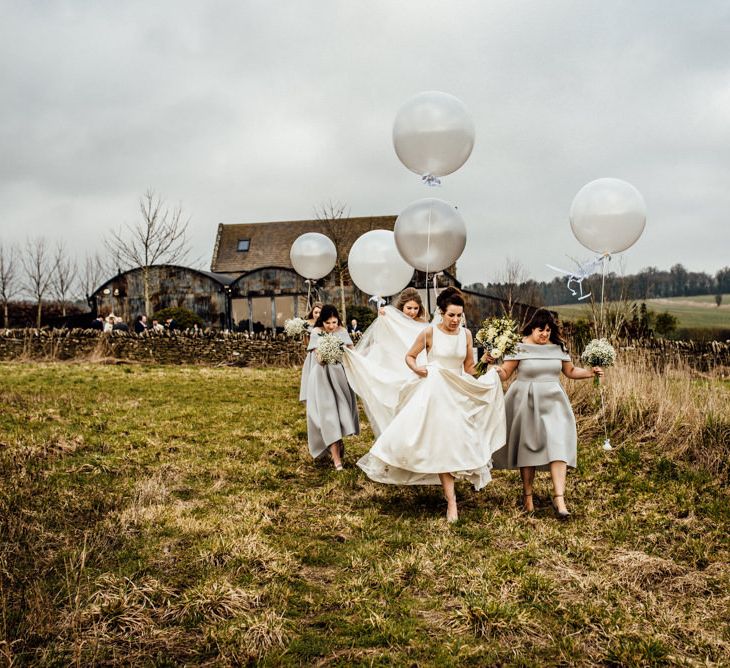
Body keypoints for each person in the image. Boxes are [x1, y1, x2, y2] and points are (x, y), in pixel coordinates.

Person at [356, 287, 506, 523]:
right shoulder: (429, 333)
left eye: (459, 315)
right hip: (434, 391)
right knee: (439, 442)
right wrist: (417, 369)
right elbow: (409, 356)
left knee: (459, 440)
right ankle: (451, 502)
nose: (456, 320)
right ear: (441, 313)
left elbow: (468, 369)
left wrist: (485, 364)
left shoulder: (466, 335)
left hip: (456, 390)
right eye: (451, 315)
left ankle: (455, 488)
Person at [487, 309, 604, 520]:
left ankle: (559, 499)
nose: (545, 334)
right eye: (541, 330)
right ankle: (527, 496)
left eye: (548, 330)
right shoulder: (518, 347)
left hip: (554, 403)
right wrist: (494, 370)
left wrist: (589, 373)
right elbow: (505, 373)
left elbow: (570, 371)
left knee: (558, 445)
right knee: (528, 447)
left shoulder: (558, 348)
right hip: (526, 402)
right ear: (532, 328)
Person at [343, 288, 429, 436]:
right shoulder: (392, 319)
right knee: (398, 402)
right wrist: (385, 319)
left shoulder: (423, 324)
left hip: (418, 365)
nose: (412, 312)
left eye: (416, 308)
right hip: (396, 364)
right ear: (401, 307)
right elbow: (382, 340)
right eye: (409, 308)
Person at [305, 304, 359, 470]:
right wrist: (326, 352)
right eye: (328, 323)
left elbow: (352, 351)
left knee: (341, 413)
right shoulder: (316, 332)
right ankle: (337, 461)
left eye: (334, 322)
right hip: (321, 376)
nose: (331, 326)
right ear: (322, 321)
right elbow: (318, 358)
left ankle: (338, 442)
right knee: (328, 416)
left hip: (340, 376)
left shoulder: (342, 331)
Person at [299, 302, 324, 403]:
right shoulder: (307, 324)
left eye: (319, 312)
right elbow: (306, 343)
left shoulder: (326, 323)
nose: (317, 315)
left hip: (324, 351)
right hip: (313, 353)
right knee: (312, 375)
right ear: (312, 313)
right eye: (316, 312)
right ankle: (311, 395)